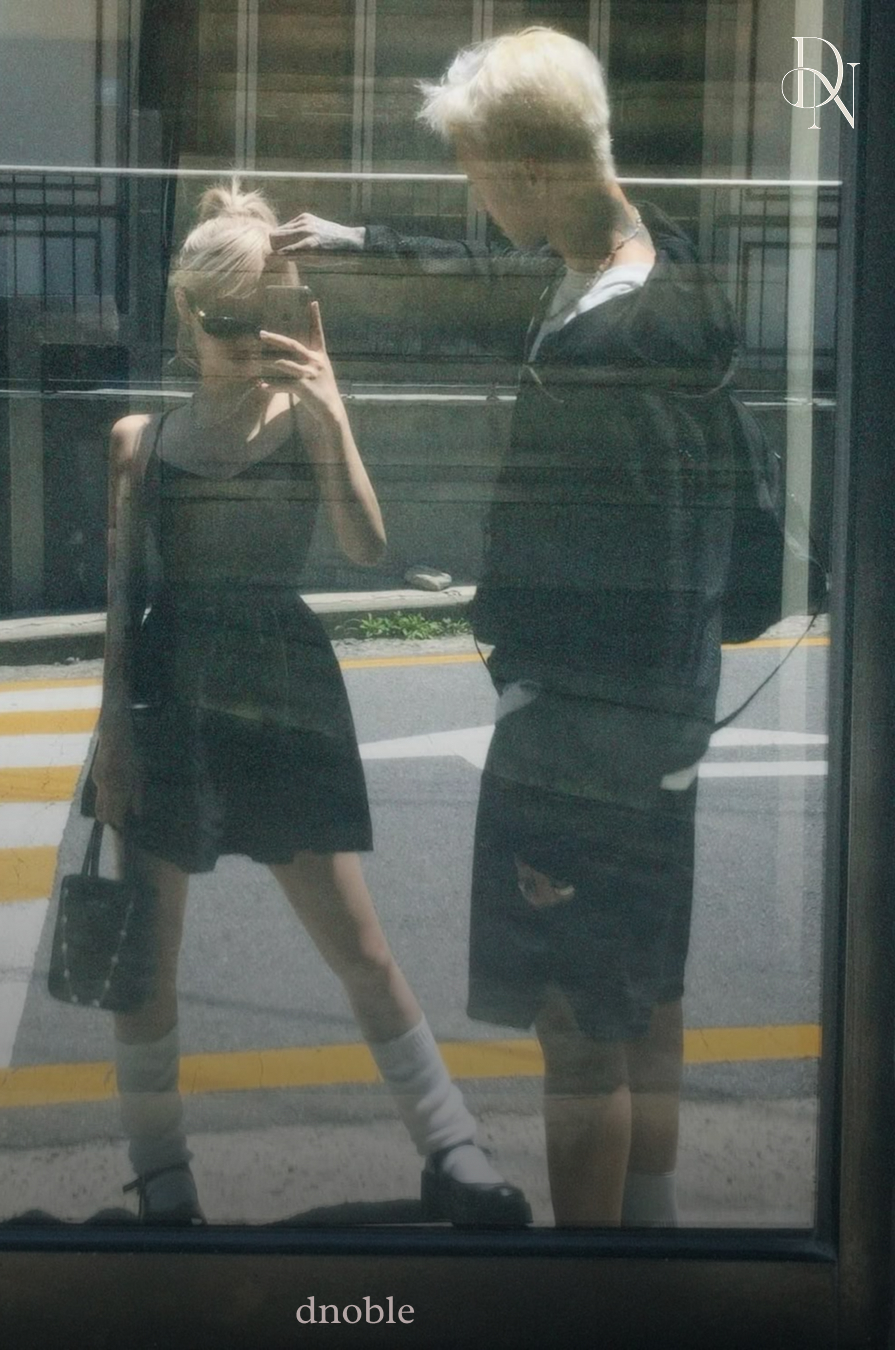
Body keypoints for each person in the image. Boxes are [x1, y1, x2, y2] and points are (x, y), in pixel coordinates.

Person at [273, 27, 738, 1228]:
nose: (475, 199)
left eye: (480, 175)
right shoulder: (640, 266)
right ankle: (653, 1246)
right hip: (651, 722)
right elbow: (480, 276)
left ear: (530, 172)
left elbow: (647, 573)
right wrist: (355, 242)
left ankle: (589, 1288)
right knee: (648, 989)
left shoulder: (617, 352)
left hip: (590, 736)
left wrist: (579, 761)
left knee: (578, 1031)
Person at [88, 180, 530, 1227]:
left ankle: (452, 1145)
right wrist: (112, 739)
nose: (247, 340)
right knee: (145, 959)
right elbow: (120, 607)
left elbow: (368, 547)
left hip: (282, 684)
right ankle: (163, 1176)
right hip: (169, 690)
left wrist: (332, 412)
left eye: (267, 315)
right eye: (227, 320)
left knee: (360, 947)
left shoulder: (303, 417)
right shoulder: (140, 441)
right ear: (187, 316)